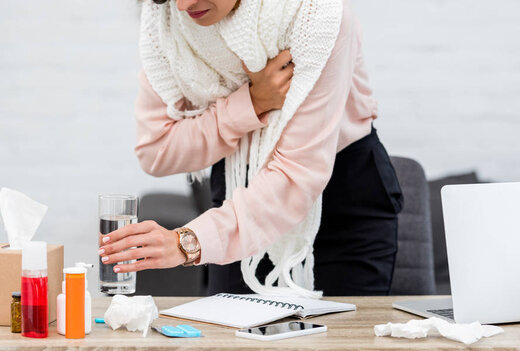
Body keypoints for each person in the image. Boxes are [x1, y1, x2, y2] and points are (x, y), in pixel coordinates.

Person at [98, 0, 403, 296]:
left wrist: (188, 242)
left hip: (343, 203)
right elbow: (156, 150)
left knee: (341, 345)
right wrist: (252, 103)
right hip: (237, 190)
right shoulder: (165, 22)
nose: (182, 5)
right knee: (232, 344)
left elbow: (296, 173)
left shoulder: (316, 14)